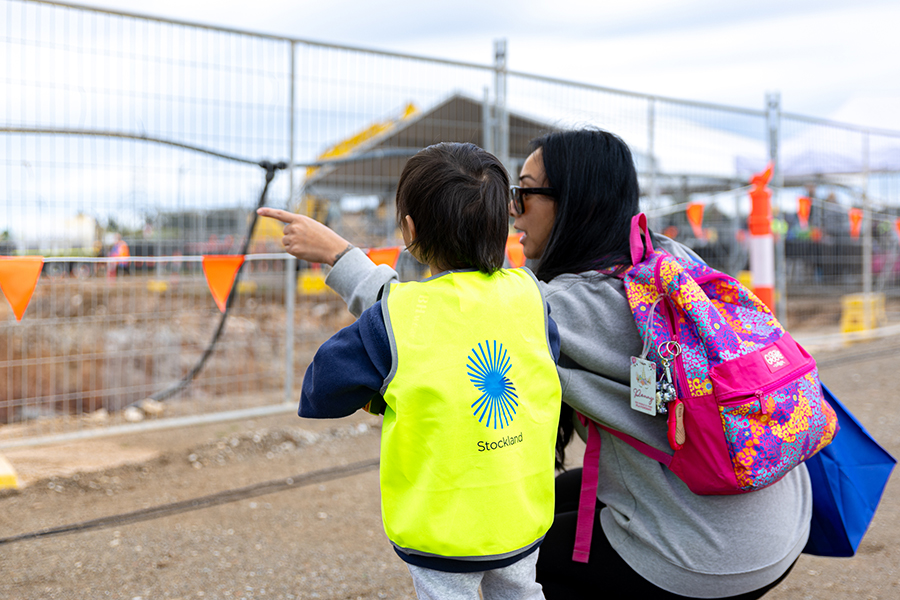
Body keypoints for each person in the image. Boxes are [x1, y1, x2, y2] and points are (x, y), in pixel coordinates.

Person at [262, 129, 810, 599]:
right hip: (776, 516)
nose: (511, 209)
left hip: (708, 557)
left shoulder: (555, 305)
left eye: (524, 192)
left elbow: (422, 321)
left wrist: (340, 257)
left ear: (574, 203)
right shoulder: (665, 257)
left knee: (507, 544)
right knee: (552, 499)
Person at [260, 142, 562, 600]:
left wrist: (381, 394)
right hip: (520, 516)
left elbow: (323, 386)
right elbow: (544, 359)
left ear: (409, 230)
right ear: (502, 224)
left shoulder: (398, 314)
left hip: (441, 528)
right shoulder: (530, 295)